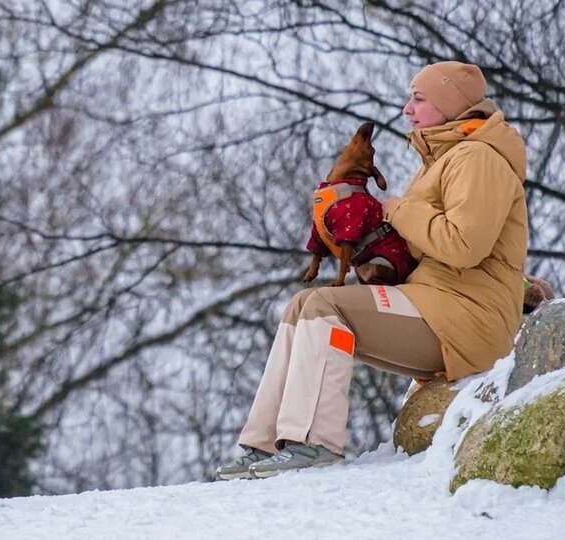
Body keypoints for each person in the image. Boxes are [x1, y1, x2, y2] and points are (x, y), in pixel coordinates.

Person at [215, 61, 528, 480]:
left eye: (419, 99)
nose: (406, 109)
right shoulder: (443, 160)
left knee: (325, 305)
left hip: (466, 318)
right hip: (434, 302)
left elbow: (463, 245)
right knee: (302, 303)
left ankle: (313, 443)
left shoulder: (478, 158)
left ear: (450, 103)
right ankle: (265, 444)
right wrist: (373, 254)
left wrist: (396, 209)